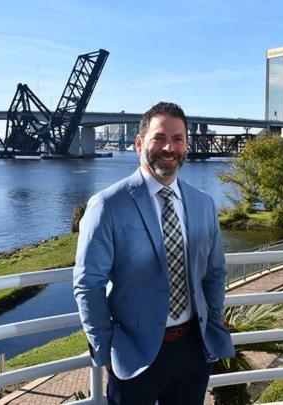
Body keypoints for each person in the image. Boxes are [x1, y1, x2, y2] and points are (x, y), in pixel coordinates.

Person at [73, 101, 234, 404]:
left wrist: (214, 324)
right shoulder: (107, 205)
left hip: (193, 350)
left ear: (186, 145)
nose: (168, 147)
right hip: (134, 357)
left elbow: (214, 273)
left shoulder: (203, 203)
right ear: (139, 144)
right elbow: (88, 283)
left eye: (177, 139)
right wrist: (105, 349)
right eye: (159, 138)